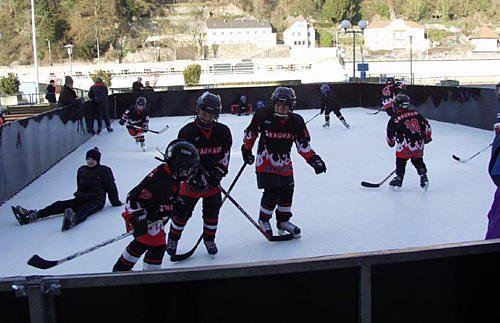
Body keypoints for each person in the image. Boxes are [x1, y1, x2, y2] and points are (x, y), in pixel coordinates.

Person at [241, 86, 327, 237]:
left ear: (291, 106)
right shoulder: (263, 114)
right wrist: (246, 150)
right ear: (273, 104)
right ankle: (264, 219)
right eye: (279, 105)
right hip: (265, 161)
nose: (281, 109)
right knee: (272, 191)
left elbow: (303, 144)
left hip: (284, 163)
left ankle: (283, 221)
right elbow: (251, 132)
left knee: (287, 191)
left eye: (285, 106)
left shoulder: (296, 121)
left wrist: (314, 160)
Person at [113, 139, 200, 271]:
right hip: (147, 219)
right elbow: (133, 197)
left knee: (140, 244)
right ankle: (151, 278)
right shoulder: (159, 179)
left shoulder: (171, 175)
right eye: (186, 168)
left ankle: (121, 269)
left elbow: (166, 196)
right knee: (157, 248)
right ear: (176, 164)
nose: (189, 172)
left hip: (154, 218)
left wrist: (175, 204)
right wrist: (138, 218)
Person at [166, 91, 232, 257]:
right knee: (182, 214)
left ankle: (209, 239)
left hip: (212, 183)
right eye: (204, 112)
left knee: (212, 214)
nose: (206, 117)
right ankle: (173, 239)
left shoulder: (223, 132)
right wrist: (190, 176)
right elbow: (179, 160)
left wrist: (219, 172)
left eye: (211, 114)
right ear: (198, 110)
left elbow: (225, 155)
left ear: (216, 114)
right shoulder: (187, 132)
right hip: (190, 184)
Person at [12, 147, 122, 231]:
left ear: (98, 160)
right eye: (88, 159)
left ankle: (73, 220)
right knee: (58, 205)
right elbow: (80, 186)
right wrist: (79, 195)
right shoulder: (82, 170)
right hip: (81, 198)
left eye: (93, 159)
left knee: (84, 210)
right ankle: (33, 216)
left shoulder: (105, 171)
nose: (90, 161)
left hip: (96, 200)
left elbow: (111, 187)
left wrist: (115, 202)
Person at [386, 94, 432, 191]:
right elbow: (427, 126)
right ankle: (423, 176)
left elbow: (390, 135)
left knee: (401, 160)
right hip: (419, 144)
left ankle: (399, 179)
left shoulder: (394, 118)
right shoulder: (416, 113)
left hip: (405, 144)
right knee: (417, 159)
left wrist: (391, 143)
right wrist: (427, 137)